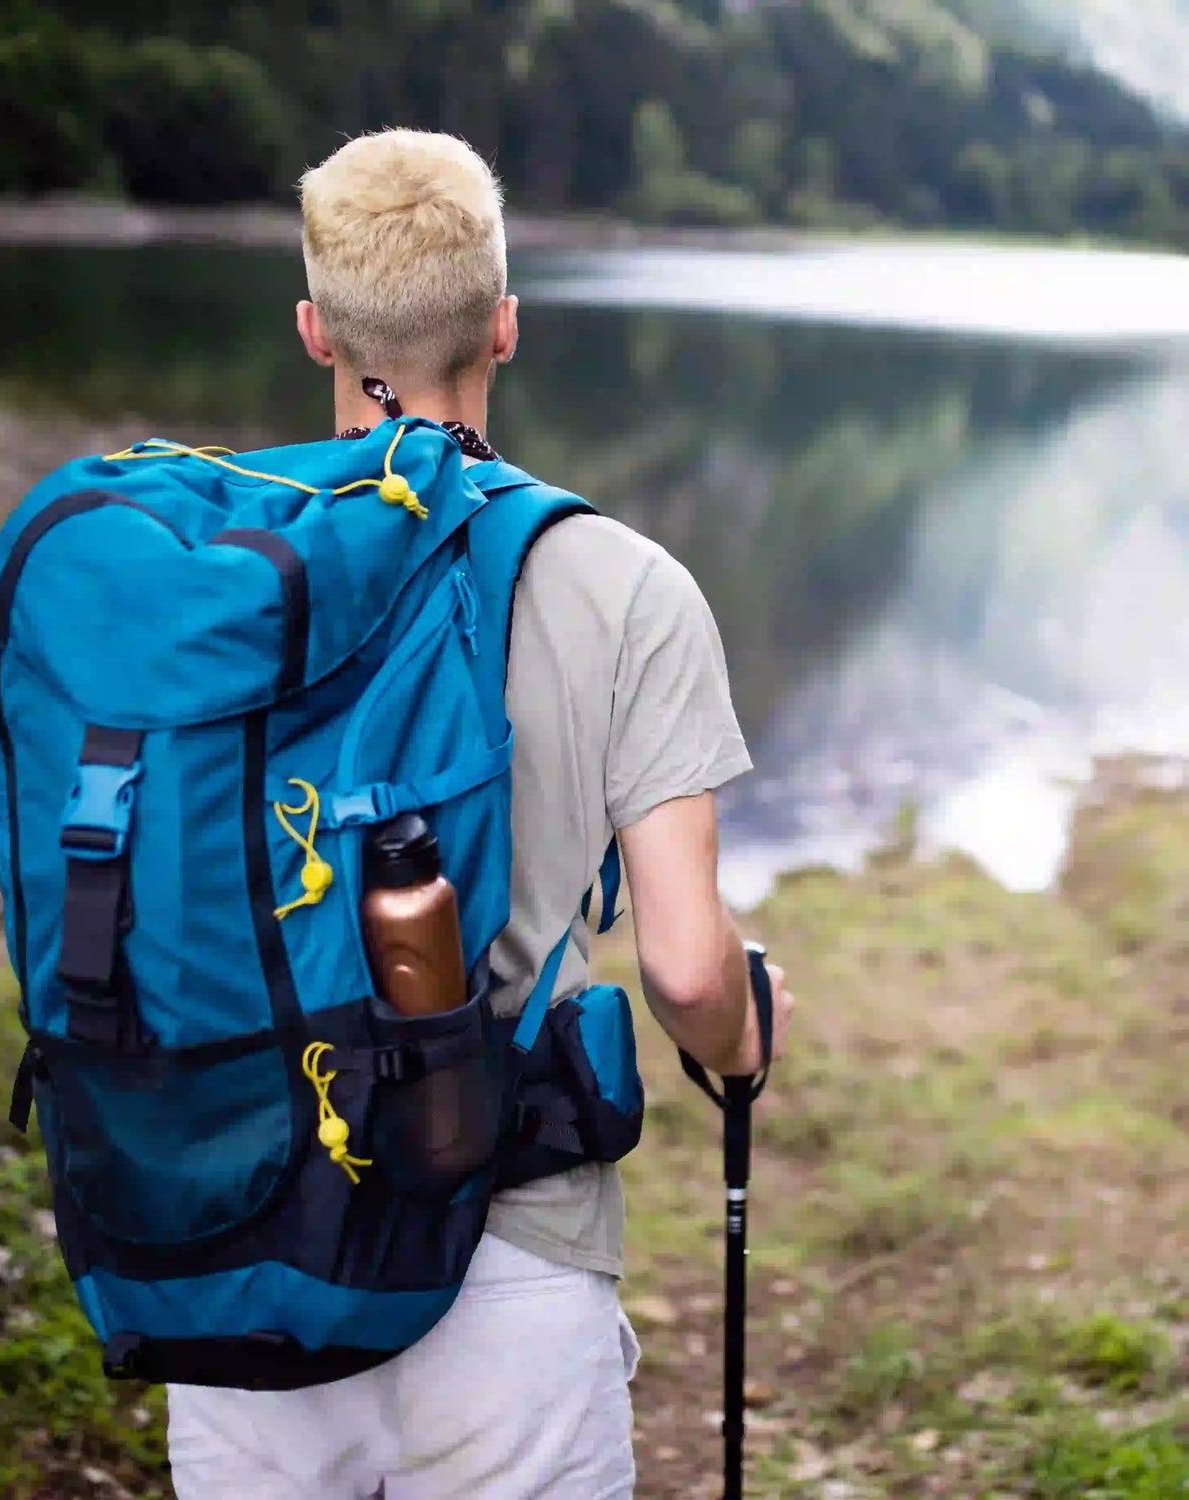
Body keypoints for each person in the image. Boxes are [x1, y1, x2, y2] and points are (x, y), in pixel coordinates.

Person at [165, 128, 795, 1500]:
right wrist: (744, 1040)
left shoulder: (207, 575)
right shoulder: (627, 587)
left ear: (314, 329)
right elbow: (688, 971)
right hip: (511, 1265)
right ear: (506, 326)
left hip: (242, 1243)